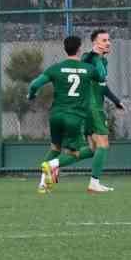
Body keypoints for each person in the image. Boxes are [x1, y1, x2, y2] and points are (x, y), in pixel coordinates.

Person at [27, 35, 97, 193]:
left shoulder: (55, 68)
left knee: (55, 148)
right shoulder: (88, 69)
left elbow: (34, 84)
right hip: (74, 117)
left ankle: (43, 185)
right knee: (86, 150)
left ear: (65, 49)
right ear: (80, 49)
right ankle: (53, 165)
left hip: (56, 116)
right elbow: (100, 78)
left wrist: (31, 95)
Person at [81, 30, 125, 194]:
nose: (108, 42)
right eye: (104, 40)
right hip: (92, 107)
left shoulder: (103, 61)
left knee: (92, 149)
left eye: (109, 40)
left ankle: (53, 165)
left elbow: (103, 86)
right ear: (95, 43)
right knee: (103, 144)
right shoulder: (89, 58)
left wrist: (116, 101)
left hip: (94, 106)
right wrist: (94, 53)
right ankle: (94, 183)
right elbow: (85, 61)